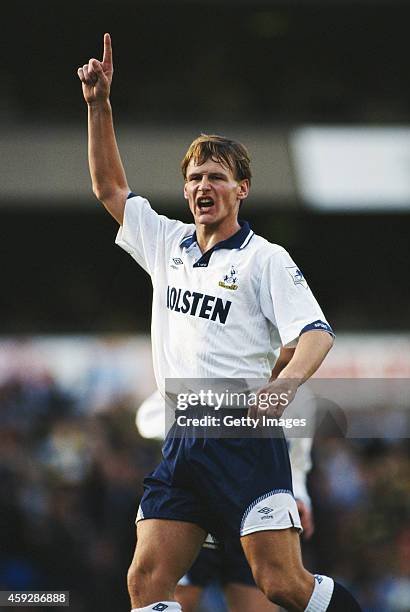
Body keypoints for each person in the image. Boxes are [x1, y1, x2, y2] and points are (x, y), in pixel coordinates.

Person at [77, 33, 362, 612]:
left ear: (242, 189)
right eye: (195, 178)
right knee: (144, 583)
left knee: (281, 587)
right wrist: (99, 106)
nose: (202, 186)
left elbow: (316, 333)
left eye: (216, 177)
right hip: (184, 441)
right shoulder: (167, 242)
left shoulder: (266, 259)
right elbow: (110, 188)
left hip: (244, 442)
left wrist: (282, 387)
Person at [136, 387, 316, 612]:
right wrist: (196, 433)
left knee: (264, 596)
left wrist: (299, 495)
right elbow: (147, 417)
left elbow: (297, 457)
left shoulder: (299, 395)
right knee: (174, 597)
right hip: (200, 502)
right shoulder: (215, 373)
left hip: (255, 505)